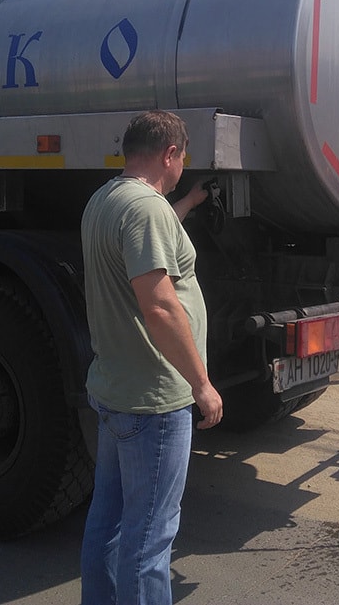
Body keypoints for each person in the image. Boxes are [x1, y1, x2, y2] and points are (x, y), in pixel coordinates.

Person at [80, 110, 223, 604]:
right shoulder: (146, 211)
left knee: (110, 521)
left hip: (118, 389)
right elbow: (159, 305)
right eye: (182, 156)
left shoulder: (107, 200)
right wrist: (201, 384)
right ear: (170, 154)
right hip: (154, 400)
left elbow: (152, 241)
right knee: (149, 538)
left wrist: (187, 202)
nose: (183, 163)